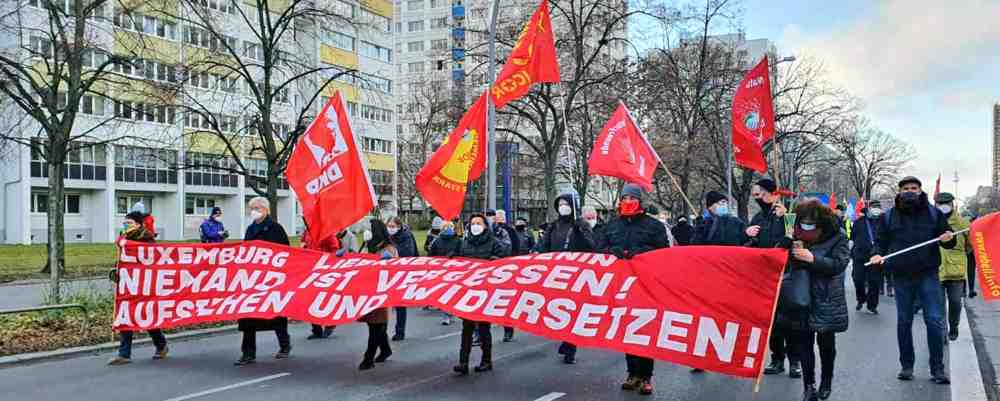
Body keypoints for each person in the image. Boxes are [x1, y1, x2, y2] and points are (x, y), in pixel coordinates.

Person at [869, 176, 956, 384]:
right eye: (906, 188)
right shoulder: (888, 217)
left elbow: (948, 241)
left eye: (914, 188)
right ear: (899, 191)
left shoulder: (934, 214)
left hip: (928, 274)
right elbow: (880, 242)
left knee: (934, 321)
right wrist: (876, 254)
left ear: (920, 190)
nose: (910, 191)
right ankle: (906, 366)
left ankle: (937, 369)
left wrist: (948, 238)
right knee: (904, 321)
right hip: (901, 276)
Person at [597, 183, 670, 396]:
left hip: (646, 285)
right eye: (624, 198)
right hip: (620, 286)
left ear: (640, 201)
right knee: (627, 329)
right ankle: (632, 373)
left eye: (632, 198)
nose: (628, 202)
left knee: (644, 329)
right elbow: (600, 249)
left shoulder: (654, 226)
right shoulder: (612, 226)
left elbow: (663, 252)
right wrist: (614, 251)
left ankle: (646, 376)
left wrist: (641, 252)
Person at [775, 200, 850, 401]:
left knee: (826, 344)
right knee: (804, 344)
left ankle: (826, 381)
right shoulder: (794, 232)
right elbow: (777, 261)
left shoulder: (837, 236)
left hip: (826, 297)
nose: (806, 227)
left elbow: (839, 264)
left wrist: (812, 259)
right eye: (803, 222)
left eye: (811, 223)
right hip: (799, 297)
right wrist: (784, 245)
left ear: (821, 222)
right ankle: (809, 386)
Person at [746, 179, 801, 378]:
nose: (756, 198)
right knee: (772, 322)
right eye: (754, 195)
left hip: (787, 276)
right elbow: (748, 246)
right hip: (764, 277)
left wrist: (786, 221)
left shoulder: (790, 215)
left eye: (759, 194)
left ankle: (795, 362)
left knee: (790, 322)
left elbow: (799, 239)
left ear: (772, 194)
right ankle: (777, 358)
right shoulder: (758, 218)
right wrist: (748, 234)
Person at [537, 193, 596, 364]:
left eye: (566, 203)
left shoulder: (581, 224)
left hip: (576, 274)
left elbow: (591, 247)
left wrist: (580, 231)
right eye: (560, 204)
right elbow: (544, 247)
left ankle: (570, 346)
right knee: (558, 309)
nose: (563, 207)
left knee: (572, 310)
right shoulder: (554, 226)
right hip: (557, 273)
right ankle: (565, 338)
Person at [234, 197, 292, 366]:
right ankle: (248, 353)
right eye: (252, 208)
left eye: (257, 208)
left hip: (271, 279)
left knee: (275, 315)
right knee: (247, 316)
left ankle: (284, 344)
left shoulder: (275, 228)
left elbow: (285, 252)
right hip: (252, 279)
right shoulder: (250, 229)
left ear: (266, 210)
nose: (254, 210)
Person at [108, 211, 168, 365]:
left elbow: (155, 262)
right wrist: (117, 272)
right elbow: (123, 261)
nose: (126, 226)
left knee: (145, 316)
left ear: (139, 224)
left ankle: (161, 345)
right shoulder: (124, 241)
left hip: (144, 286)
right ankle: (124, 354)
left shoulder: (148, 240)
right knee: (126, 316)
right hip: (128, 285)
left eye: (130, 223)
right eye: (125, 223)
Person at [453, 214, 505, 376]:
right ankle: (463, 362)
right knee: (467, 328)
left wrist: (494, 260)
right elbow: (458, 262)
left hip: (486, 291)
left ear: (485, 226)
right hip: (468, 291)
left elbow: (503, 264)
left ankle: (486, 360)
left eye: (478, 223)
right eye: (472, 223)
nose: (475, 225)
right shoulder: (464, 243)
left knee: (483, 328)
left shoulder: (494, 243)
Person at [357, 218, 395, 370]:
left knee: (376, 326)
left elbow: (393, 270)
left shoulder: (388, 249)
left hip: (381, 294)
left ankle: (368, 358)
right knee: (374, 325)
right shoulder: (368, 247)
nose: (366, 232)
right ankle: (385, 349)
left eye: (369, 229)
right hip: (368, 292)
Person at [935, 193, 969, 341]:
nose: (943, 205)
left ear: (952, 204)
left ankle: (953, 326)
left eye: (946, 203)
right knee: (938, 305)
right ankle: (942, 333)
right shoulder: (931, 222)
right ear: (935, 204)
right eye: (940, 203)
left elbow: (970, 246)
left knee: (955, 302)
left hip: (956, 271)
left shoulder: (962, 224)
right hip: (936, 269)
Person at [301, 226, 338, 340]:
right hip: (311, 268)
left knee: (325, 298)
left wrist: (328, 262)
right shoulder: (307, 231)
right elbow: (303, 244)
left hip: (324, 269)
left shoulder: (327, 231)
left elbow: (334, 248)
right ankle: (316, 329)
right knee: (311, 299)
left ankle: (330, 324)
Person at [850, 201, 884, 315]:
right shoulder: (859, 222)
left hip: (876, 257)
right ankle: (860, 299)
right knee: (858, 279)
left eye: (878, 207)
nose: (876, 209)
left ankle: (872, 305)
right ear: (868, 209)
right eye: (874, 207)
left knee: (874, 282)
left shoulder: (883, 222)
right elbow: (853, 237)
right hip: (859, 256)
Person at [387, 216, 417, 341]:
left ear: (399, 227)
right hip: (388, 273)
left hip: (401, 273)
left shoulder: (406, 236)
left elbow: (408, 253)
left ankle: (400, 331)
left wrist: (392, 252)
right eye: (388, 226)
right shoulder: (387, 237)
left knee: (399, 303)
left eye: (393, 226)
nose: (390, 229)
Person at [429, 220, 463, 325]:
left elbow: (462, 254)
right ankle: (446, 315)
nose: (447, 229)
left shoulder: (458, 241)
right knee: (444, 293)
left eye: (449, 227)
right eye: (445, 227)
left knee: (452, 293)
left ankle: (450, 311)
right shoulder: (437, 241)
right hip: (441, 271)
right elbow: (431, 255)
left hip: (455, 271)